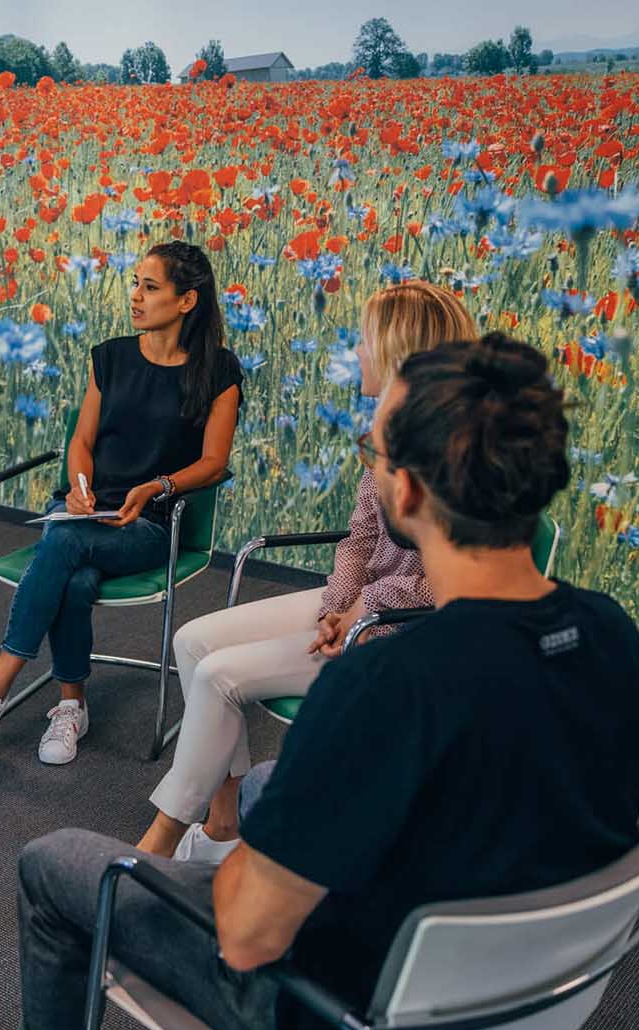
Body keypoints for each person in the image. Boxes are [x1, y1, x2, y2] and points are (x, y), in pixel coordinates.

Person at [0, 334, 639, 1030]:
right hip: (512, 1011)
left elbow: (249, 939)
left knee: (58, 864)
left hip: (340, 1028)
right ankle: (231, 843)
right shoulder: (614, 638)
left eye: (373, 448)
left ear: (403, 486)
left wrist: (228, 884)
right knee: (263, 781)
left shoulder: (388, 685)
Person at [136, 280, 476, 863]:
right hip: (362, 605)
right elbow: (360, 538)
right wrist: (333, 608)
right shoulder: (387, 431)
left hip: (407, 631)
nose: (359, 353)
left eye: (367, 342)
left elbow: (449, 583)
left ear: (400, 354)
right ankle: (223, 828)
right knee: (192, 640)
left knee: (219, 675)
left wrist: (359, 614)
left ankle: (160, 840)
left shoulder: (459, 450)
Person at [0, 241, 242, 768]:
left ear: (187, 300)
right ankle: (70, 706)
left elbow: (215, 462)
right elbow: (81, 440)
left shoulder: (219, 371)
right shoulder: (111, 356)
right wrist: (79, 485)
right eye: (135, 284)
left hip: (150, 522)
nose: (136, 296)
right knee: (73, 574)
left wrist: (156, 487)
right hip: (86, 512)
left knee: (62, 542)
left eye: (150, 287)